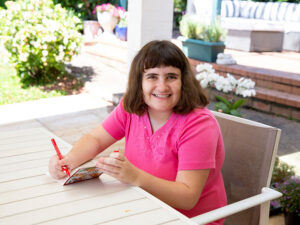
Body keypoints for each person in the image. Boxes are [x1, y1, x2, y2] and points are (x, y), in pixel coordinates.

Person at [48, 40, 227, 224]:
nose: (162, 86)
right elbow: (96, 139)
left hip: (188, 219)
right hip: (141, 205)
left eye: (171, 76)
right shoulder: (132, 108)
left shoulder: (198, 124)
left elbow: (187, 197)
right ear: (139, 81)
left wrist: (135, 177)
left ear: (184, 81)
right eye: (152, 76)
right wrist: (68, 161)